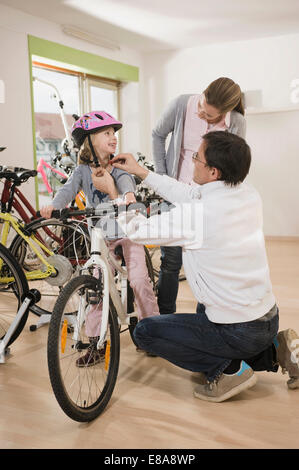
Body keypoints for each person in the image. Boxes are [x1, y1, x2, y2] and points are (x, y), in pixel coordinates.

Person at [106, 131, 299, 403]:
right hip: (266, 317)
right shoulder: (247, 193)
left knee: (145, 332)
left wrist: (117, 195)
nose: (193, 161)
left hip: (239, 330)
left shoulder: (197, 214)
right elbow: (186, 193)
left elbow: (138, 231)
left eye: (197, 157)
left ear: (213, 172)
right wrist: (140, 171)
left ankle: (228, 370)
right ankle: (277, 349)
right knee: (202, 309)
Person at [40, 111, 159, 366]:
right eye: (106, 133)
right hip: (101, 237)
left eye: (114, 133)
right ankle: (96, 344)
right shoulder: (83, 171)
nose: (113, 137)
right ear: (90, 140)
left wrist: (128, 195)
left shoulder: (117, 166)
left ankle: (154, 333)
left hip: (128, 233)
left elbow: (127, 183)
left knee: (138, 280)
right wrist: (54, 205)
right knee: (92, 290)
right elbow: (68, 189)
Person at [152, 77, 246, 315]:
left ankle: (204, 321)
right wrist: (163, 178)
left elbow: (236, 164)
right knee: (170, 263)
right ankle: (165, 320)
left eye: (210, 116)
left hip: (209, 201)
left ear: (225, 113)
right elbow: (157, 134)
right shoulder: (182, 104)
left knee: (207, 264)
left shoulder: (236, 122)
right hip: (175, 195)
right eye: (201, 108)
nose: (202, 115)